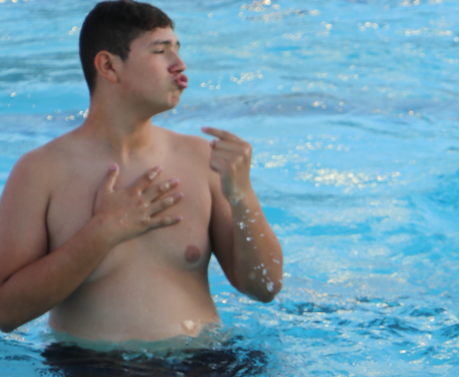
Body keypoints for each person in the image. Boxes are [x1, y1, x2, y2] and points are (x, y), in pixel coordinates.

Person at [0, 0, 283, 344]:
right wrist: (103, 232)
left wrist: (242, 196)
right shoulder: (41, 172)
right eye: (160, 51)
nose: (179, 64)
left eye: (177, 50)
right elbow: (5, 312)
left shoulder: (201, 160)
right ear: (108, 66)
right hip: (96, 375)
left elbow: (264, 287)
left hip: (208, 365)